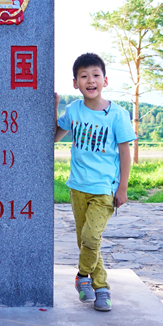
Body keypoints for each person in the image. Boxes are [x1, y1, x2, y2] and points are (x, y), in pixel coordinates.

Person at [54, 53, 136, 312]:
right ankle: (100, 288)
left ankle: (81, 276)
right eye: (84, 76)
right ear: (76, 83)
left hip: (104, 189)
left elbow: (125, 152)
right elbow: (55, 137)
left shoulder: (117, 114)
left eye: (95, 75)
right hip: (77, 187)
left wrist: (123, 187)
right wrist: (54, 109)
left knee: (91, 238)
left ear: (105, 80)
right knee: (87, 241)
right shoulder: (74, 110)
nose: (90, 80)